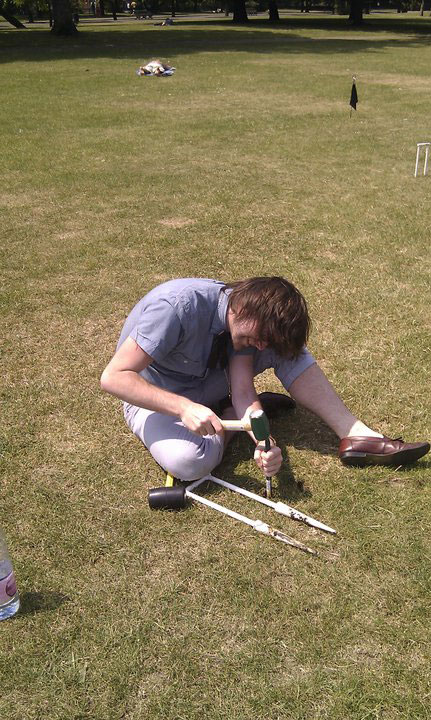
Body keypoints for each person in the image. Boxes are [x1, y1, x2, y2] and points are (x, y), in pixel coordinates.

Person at [100, 277, 429, 482]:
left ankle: (356, 435)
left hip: (207, 387)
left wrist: (263, 441)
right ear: (244, 306)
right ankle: (229, 417)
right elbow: (114, 378)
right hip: (153, 397)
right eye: (260, 336)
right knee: (188, 463)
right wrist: (182, 407)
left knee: (290, 350)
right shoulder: (176, 307)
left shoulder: (242, 327)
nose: (260, 347)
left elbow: (243, 389)